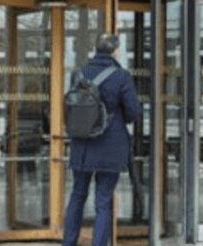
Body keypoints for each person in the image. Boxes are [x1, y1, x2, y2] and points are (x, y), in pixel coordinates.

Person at [62, 33, 141, 246]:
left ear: (95, 49)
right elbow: (133, 112)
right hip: (110, 143)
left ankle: (68, 242)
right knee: (103, 200)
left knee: (77, 194)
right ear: (115, 51)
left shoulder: (79, 73)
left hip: (82, 143)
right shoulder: (121, 76)